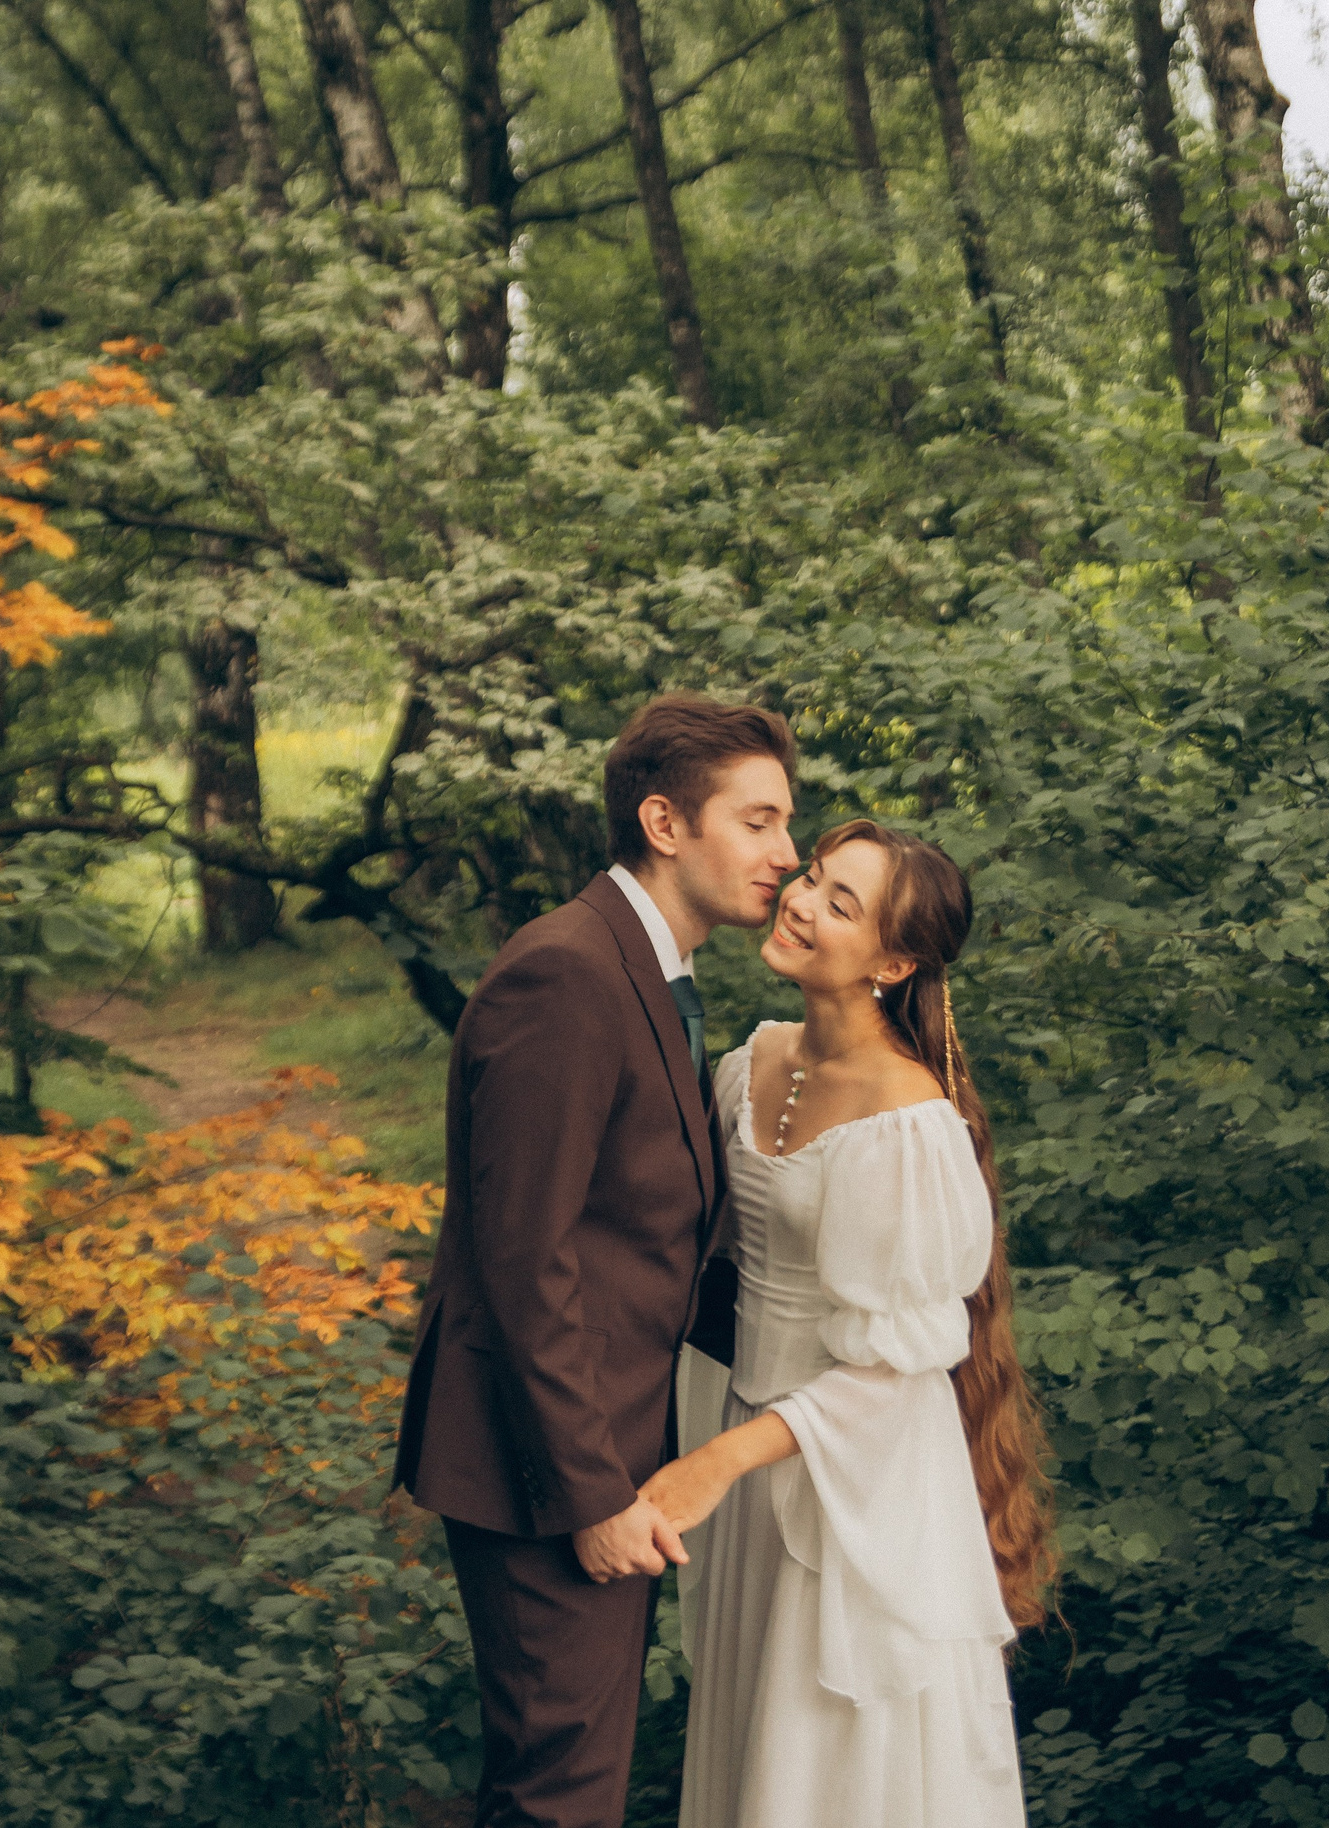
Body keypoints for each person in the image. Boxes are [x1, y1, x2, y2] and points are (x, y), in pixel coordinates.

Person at [389, 695, 799, 1828]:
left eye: (785, 823)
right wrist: (592, 1494)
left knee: (573, 1789)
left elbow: (649, 1237)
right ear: (665, 823)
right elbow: (523, 1261)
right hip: (543, 1464)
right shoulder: (567, 973)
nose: (786, 853)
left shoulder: (650, 971)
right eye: (758, 821)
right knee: (558, 1800)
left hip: (606, 1441)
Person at [641, 818, 1056, 1828]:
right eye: (813, 877)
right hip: (742, 1457)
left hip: (853, 1482)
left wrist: (717, 1462)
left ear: (894, 962)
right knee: (749, 1751)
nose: (800, 901)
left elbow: (897, 1369)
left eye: (841, 902)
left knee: (826, 1769)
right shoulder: (751, 1061)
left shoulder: (907, 1122)